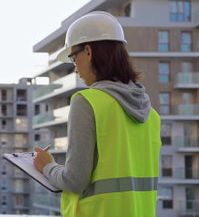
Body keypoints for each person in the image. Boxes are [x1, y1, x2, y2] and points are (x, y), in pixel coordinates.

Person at [33, 11, 161, 217]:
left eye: (74, 57)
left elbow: (74, 181)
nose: (75, 69)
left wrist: (47, 166)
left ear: (89, 51)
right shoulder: (150, 114)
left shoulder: (87, 102)